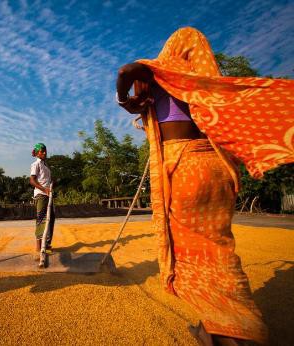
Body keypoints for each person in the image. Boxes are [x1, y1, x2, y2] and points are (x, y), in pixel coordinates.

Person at [116, 27, 293, 345]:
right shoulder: (210, 91)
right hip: (217, 169)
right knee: (219, 247)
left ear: (173, 50)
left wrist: (124, 99)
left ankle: (240, 334)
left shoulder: (159, 73)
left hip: (184, 169)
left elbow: (125, 71)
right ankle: (213, 326)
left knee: (192, 255)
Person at [29, 143, 55, 255]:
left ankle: (47, 244)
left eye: (45, 150)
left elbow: (47, 180)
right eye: (42, 151)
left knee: (51, 219)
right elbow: (32, 180)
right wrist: (44, 190)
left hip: (48, 195)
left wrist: (51, 186)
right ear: (38, 153)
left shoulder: (46, 166)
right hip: (41, 194)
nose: (44, 152)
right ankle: (38, 248)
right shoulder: (36, 164)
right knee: (41, 219)